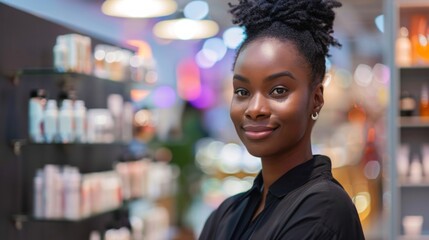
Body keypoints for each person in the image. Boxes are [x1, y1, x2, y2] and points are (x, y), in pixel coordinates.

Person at [199, 0, 365, 239]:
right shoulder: (226, 214)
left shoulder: (324, 209)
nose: (255, 109)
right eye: (243, 92)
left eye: (278, 90)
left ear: (316, 99)